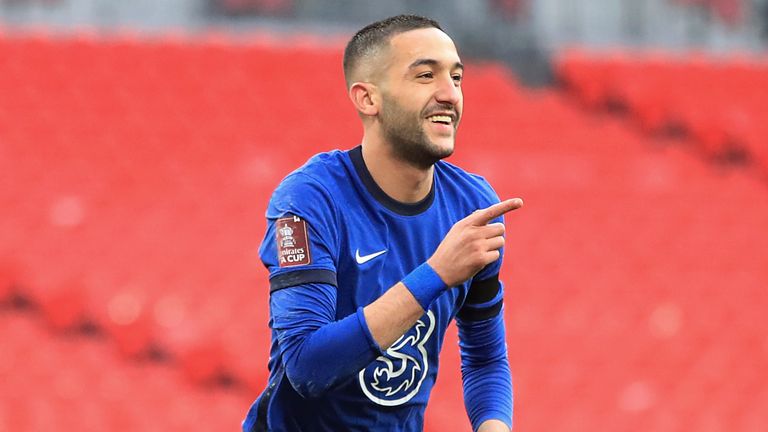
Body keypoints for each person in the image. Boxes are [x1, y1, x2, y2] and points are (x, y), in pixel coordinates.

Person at [242, 14, 523, 432]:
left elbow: (486, 359)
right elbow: (306, 365)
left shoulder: (473, 205)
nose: (450, 94)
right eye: (426, 75)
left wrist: (494, 425)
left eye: (457, 77)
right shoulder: (308, 200)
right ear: (367, 99)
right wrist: (435, 274)